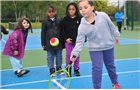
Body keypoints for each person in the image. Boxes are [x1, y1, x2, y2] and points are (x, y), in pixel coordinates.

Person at [70, 0, 122, 89]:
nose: (83, 10)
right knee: (97, 69)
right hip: (94, 49)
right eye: (80, 8)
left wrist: (117, 36)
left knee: (111, 65)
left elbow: (111, 26)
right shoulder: (82, 26)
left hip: (108, 46)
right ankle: (97, 87)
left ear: (92, 7)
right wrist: (74, 53)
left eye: (85, 7)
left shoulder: (103, 16)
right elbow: (79, 42)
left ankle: (115, 83)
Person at [41, 4, 64, 76]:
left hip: (59, 42)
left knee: (59, 55)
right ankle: (51, 69)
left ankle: (59, 68)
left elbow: (62, 30)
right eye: (49, 12)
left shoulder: (59, 20)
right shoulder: (45, 22)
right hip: (49, 43)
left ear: (55, 12)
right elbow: (43, 32)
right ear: (46, 12)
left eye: (53, 11)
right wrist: (43, 43)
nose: (51, 13)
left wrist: (63, 40)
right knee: (50, 56)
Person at [60, 2, 81, 77]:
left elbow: (83, 30)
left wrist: (82, 39)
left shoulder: (80, 19)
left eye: (73, 9)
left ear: (76, 10)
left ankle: (76, 69)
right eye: (69, 9)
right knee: (69, 54)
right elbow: (62, 30)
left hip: (78, 41)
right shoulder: (65, 20)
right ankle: (68, 69)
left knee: (76, 55)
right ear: (67, 10)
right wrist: (66, 39)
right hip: (68, 41)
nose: (71, 11)